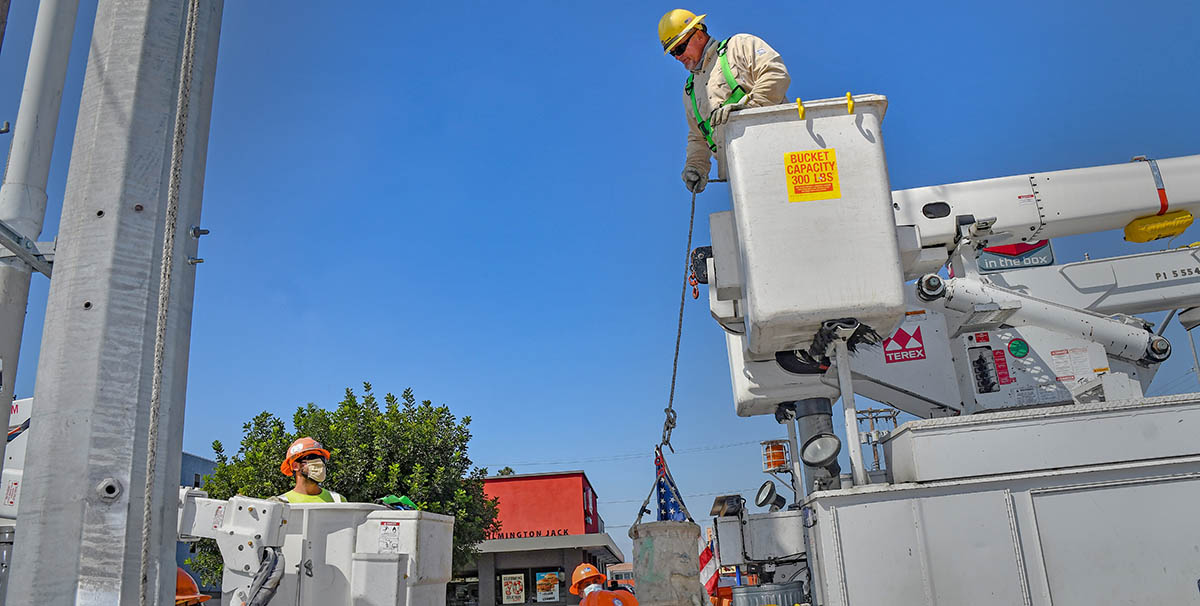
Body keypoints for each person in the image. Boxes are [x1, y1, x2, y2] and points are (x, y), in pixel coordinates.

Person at [659, 9, 791, 194]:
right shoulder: (690, 91)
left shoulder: (738, 47)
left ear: (698, 34)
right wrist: (696, 166)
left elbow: (775, 74)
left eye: (680, 48)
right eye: (673, 53)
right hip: (743, 176)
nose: (678, 57)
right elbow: (698, 136)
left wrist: (748, 110)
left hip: (782, 154)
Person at [278, 436, 346, 503]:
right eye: (312, 457)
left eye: (322, 458)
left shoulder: (338, 500)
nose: (320, 462)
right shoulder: (281, 504)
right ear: (295, 466)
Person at [570, 563, 639, 606]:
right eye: (587, 585)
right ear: (580, 592)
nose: (593, 586)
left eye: (595, 582)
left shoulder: (615, 599)